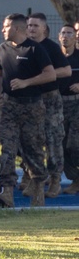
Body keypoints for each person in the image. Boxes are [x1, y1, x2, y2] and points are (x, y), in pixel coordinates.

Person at [0, 13, 56, 208]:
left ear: (17, 28)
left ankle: (38, 192)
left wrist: (27, 82)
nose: (2, 30)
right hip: (9, 105)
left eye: (5, 26)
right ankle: (7, 193)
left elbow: (50, 74)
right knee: (8, 150)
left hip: (32, 105)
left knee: (33, 149)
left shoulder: (35, 49)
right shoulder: (2, 49)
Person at [25, 13, 70, 198]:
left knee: (53, 142)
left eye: (35, 26)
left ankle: (55, 180)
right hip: (30, 100)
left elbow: (66, 70)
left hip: (49, 99)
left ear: (44, 28)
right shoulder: (24, 46)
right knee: (30, 142)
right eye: (29, 25)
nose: (31, 29)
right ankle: (34, 179)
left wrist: (42, 75)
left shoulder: (51, 47)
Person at [60, 23, 79, 194]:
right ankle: (75, 178)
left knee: (74, 144)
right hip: (58, 104)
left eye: (69, 33)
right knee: (61, 144)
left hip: (77, 104)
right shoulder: (55, 57)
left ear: (75, 37)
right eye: (63, 33)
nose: (66, 36)